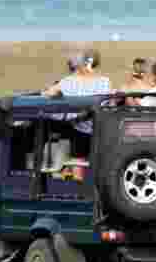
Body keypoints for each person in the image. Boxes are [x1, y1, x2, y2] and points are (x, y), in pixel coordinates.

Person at [43, 48, 111, 179]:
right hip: (99, 128)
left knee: (77, 156)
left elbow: (48, 94)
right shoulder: (105, 82)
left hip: (79, 129)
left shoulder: (68, 82)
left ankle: (78, 185)